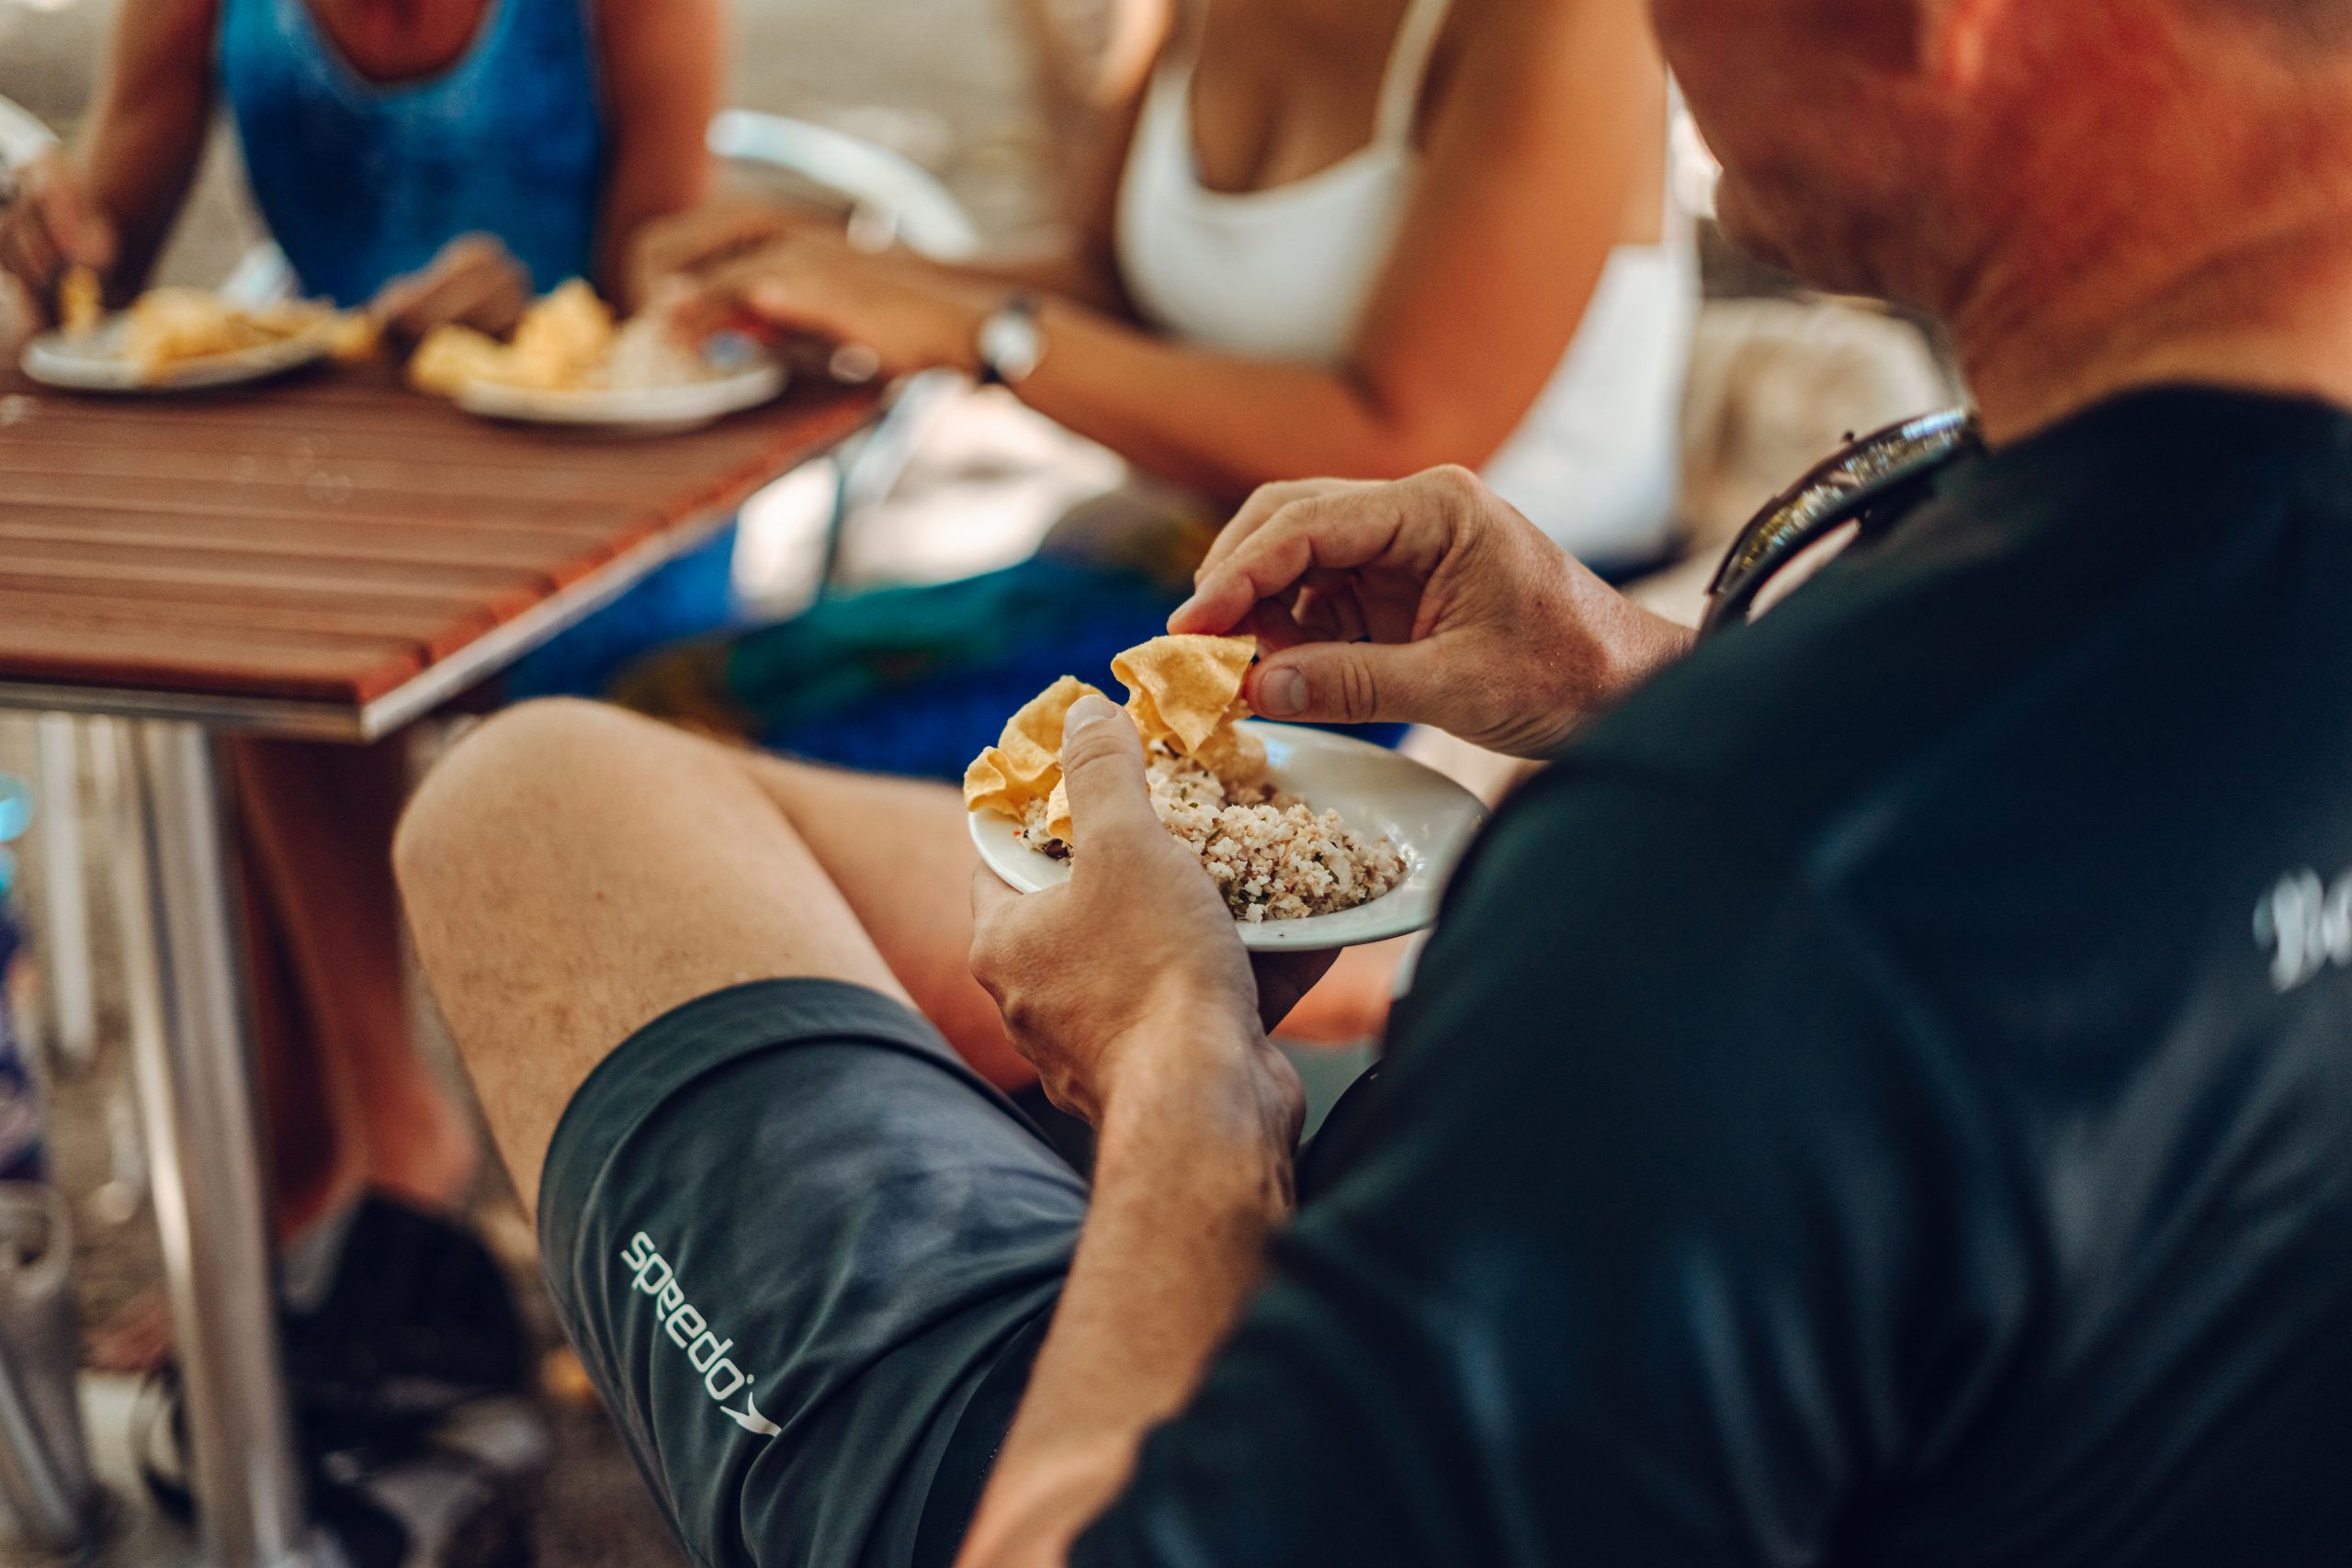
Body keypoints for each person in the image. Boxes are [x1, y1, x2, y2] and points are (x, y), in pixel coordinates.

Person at [394, 0, 2352, 1563]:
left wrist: (1185, 1085)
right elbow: (2091, 868)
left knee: (535, 803)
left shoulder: (1749, 869)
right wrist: (1633, 681)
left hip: (1227, 1427)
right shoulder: (1893, 748)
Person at [0, 0, 718, 1371]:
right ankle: (342, 1167)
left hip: (597, 509)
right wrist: (42, 232)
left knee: (264, 652)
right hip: (333, 483)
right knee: (237, 640)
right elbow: (95, 289)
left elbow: (662, 282)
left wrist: (543, 305)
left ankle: (374, 1167)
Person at [614, 0, 1691, 778]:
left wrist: (974, 330)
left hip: (1450, 649)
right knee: (651, 711)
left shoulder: (1564, 23)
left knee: (720, 782)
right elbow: (1108, 282)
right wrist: (840, 282)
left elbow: (1398, 442)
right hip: (1199, 579)